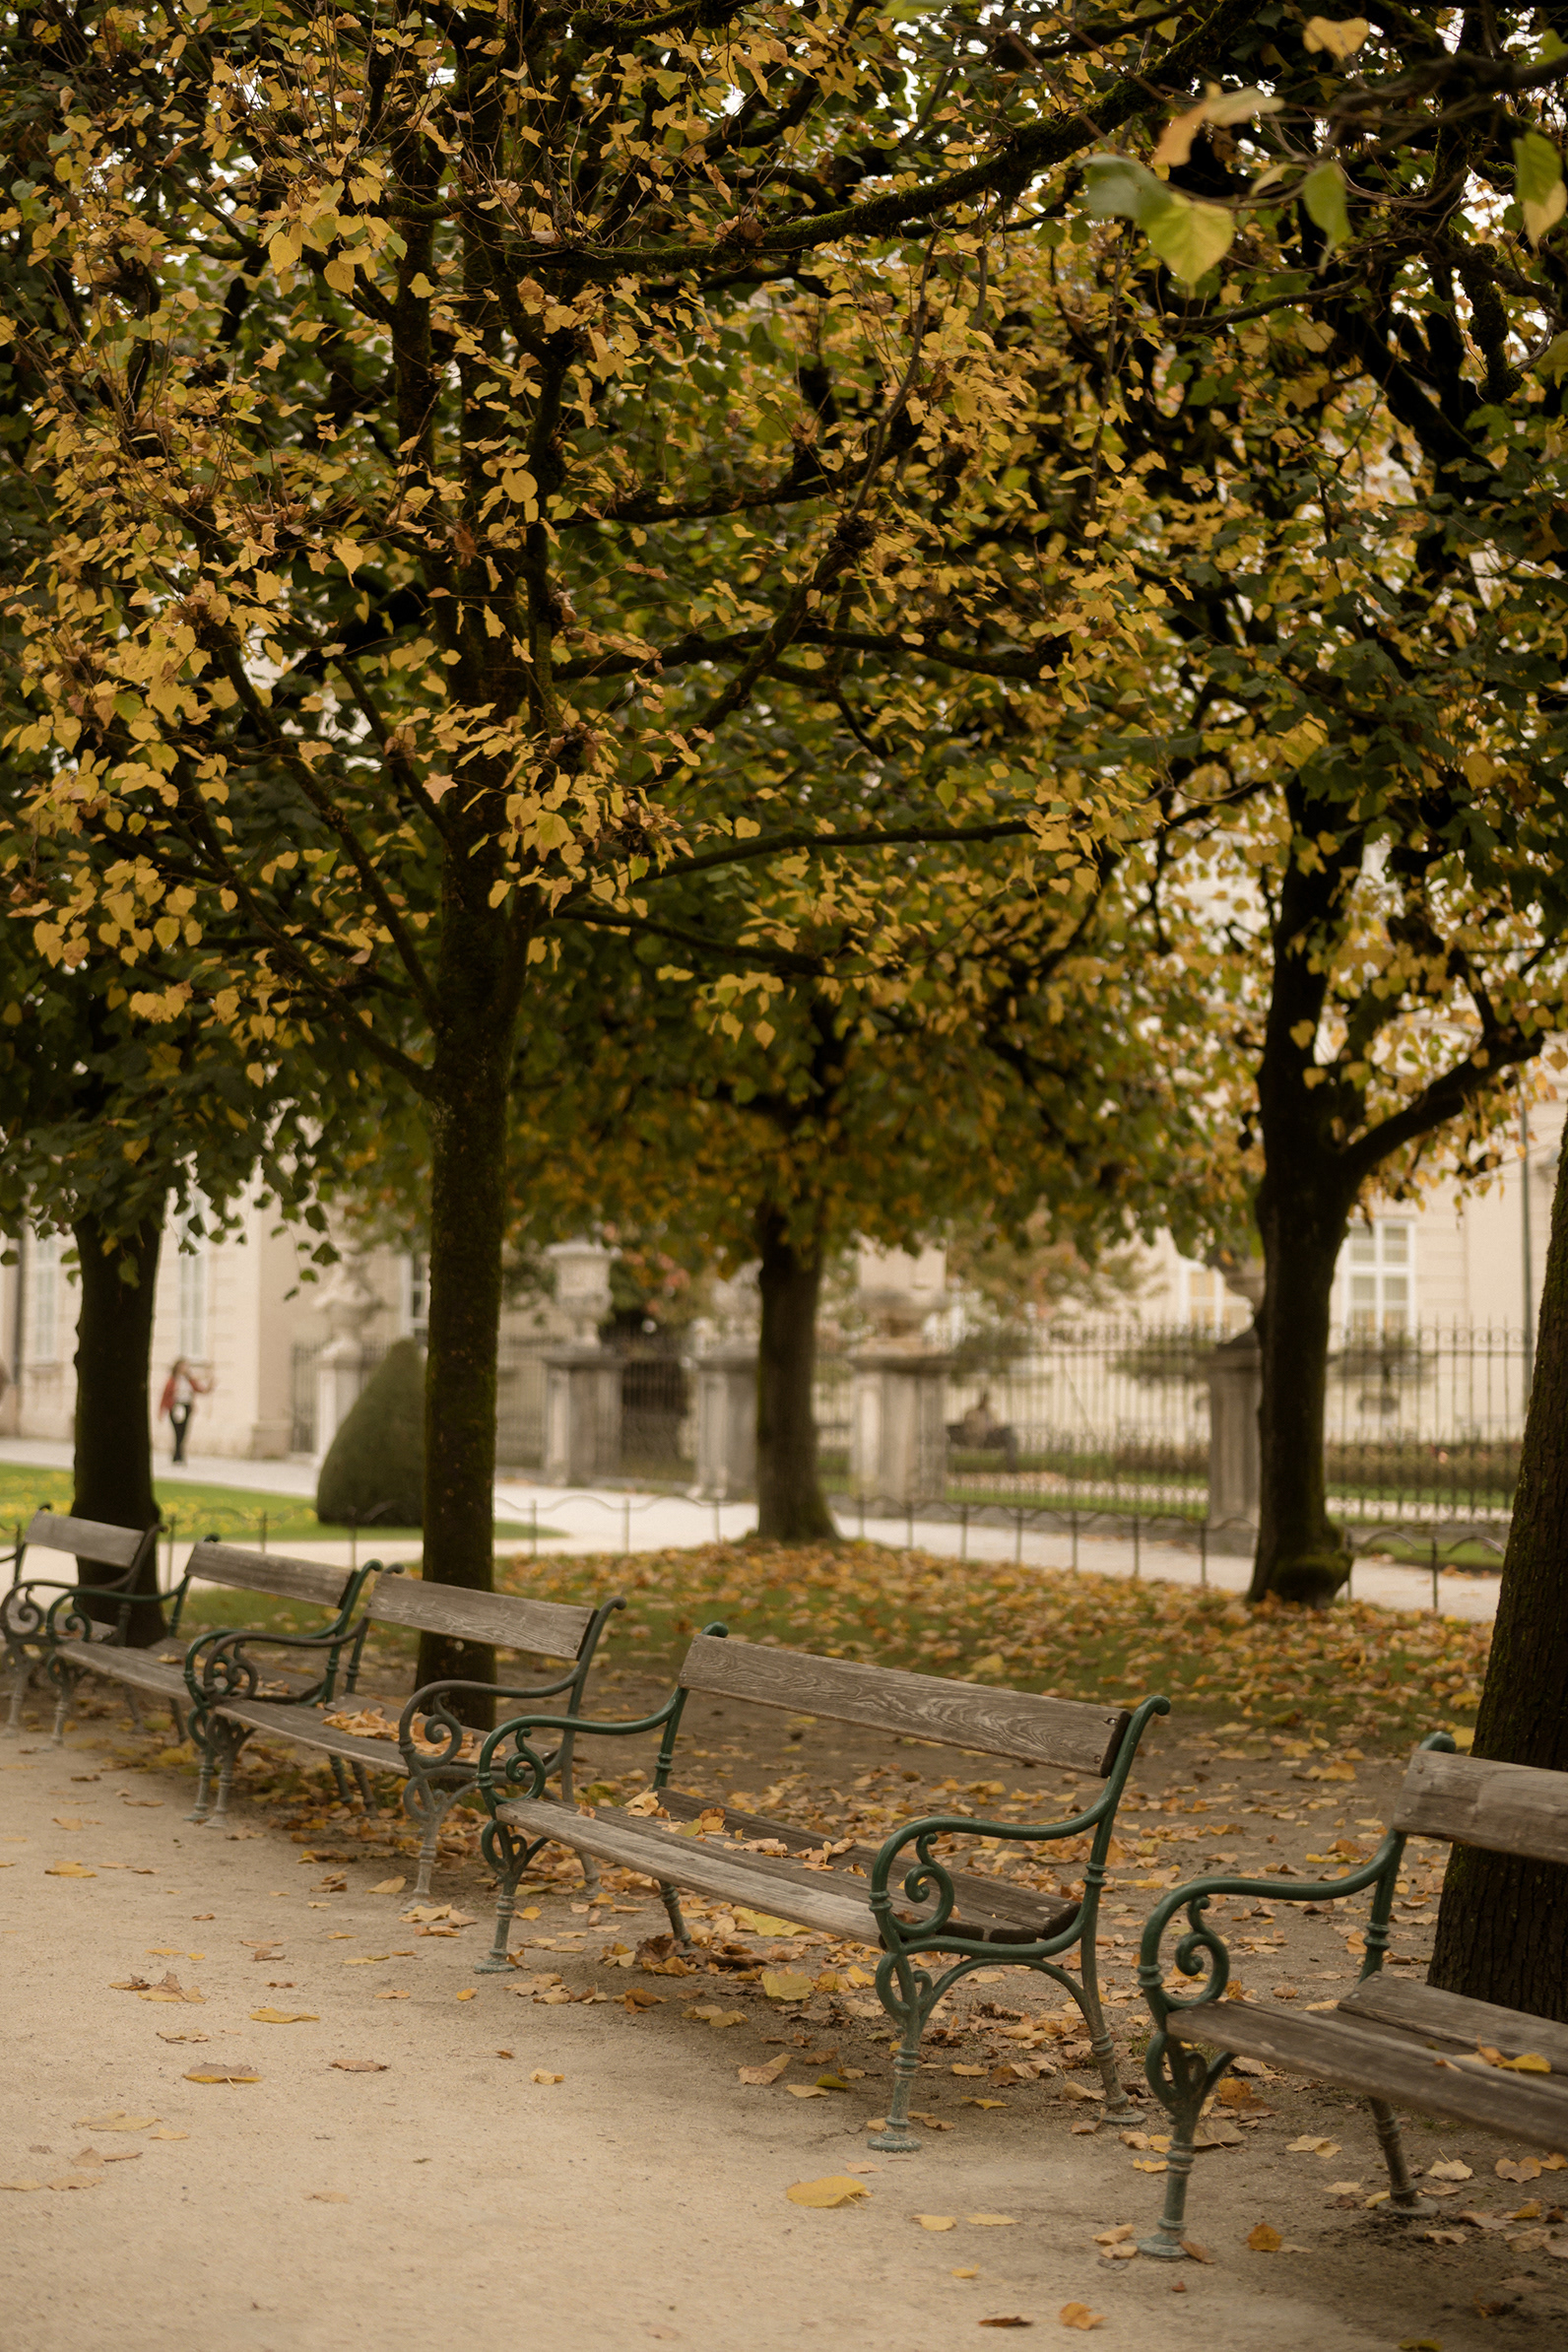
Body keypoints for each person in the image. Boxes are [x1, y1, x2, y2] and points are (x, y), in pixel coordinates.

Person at [159, 1358, 210, 1465]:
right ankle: (177, 1455)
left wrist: (210, 1386)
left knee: (184, 1431)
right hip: (176, 1406)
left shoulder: (189, 1380)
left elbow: (200, 1389)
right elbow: (165, 1395)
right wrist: (161, 1411)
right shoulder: (173, 1380)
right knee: (177, 1431)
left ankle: (179, 1454)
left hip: (186, 1406)